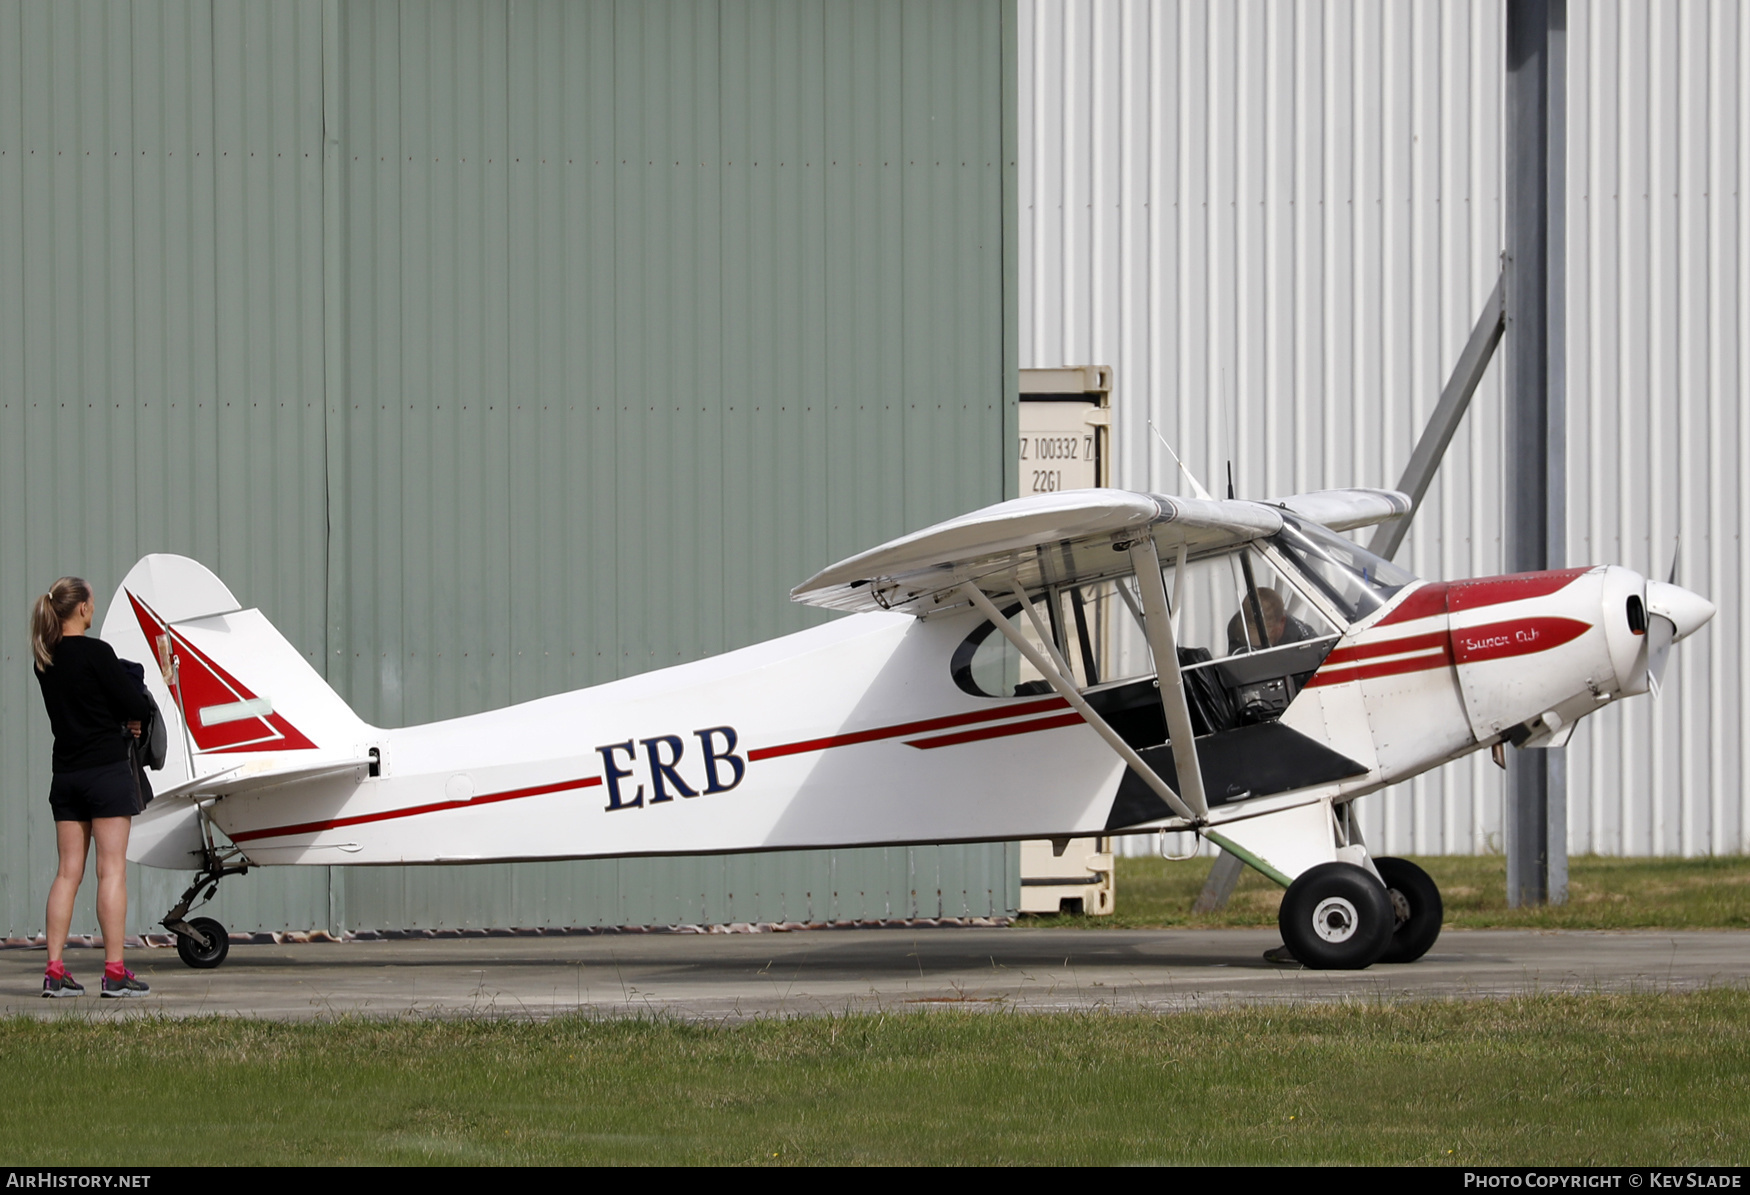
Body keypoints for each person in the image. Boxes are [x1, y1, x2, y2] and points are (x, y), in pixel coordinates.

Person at [31, 577, 153, 997]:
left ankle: (54, 970)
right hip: (105, 773)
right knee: (112, 869)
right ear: (82, 608)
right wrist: (131, 714)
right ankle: (115, 972)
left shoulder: (44, 660)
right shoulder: (98, 653)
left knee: (67, 873)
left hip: (65, 775)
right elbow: (134, 705)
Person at [1226, 587, 1313, 655]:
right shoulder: (1235, 626)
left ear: (1282, 622)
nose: (1256, 644)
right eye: (1246, 635)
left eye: (1263, 639)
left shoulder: (1305, 645)